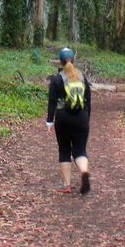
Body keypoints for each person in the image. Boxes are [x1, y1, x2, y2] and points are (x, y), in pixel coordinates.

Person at [46, 47, 92, 194]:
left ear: (60, 61)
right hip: (81, 118)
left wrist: (49, 122)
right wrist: (86, 119)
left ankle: (67, 186)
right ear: (73, 60)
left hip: (63, 118)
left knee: (64, 150)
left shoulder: (57, 79)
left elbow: (52, 102)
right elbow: (88, 102)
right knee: (80, 150)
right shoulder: (82, 77)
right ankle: (84, 171)